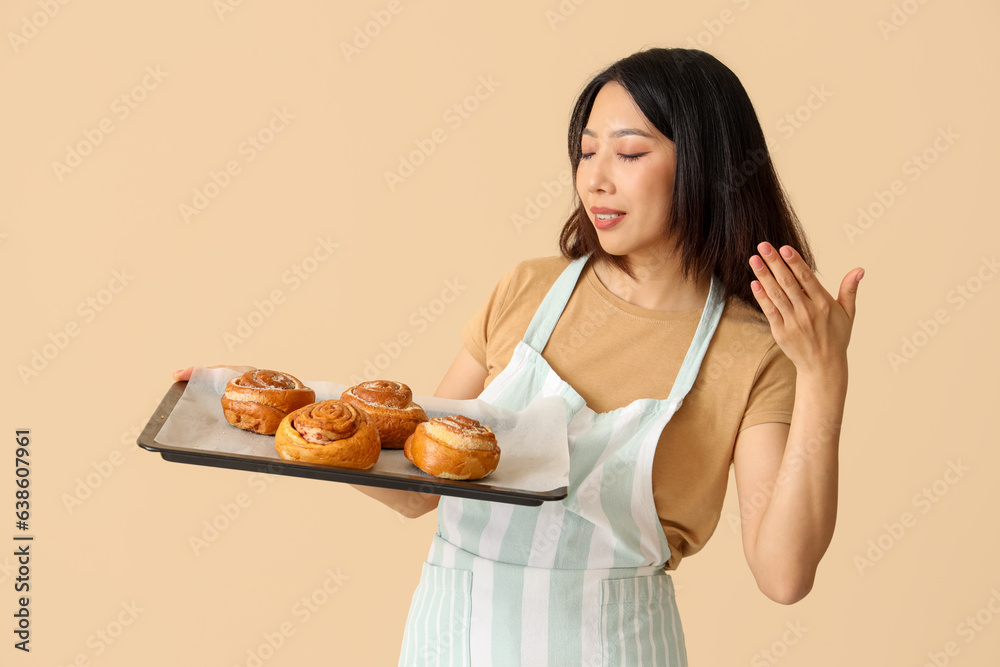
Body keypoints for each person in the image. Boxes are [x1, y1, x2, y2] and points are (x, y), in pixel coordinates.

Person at [175, 47, 862, 666]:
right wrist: (282, 418)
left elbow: (784, 572)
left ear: (706, 165)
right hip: (451, 644)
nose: (594, 179)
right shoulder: (528, 291)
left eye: (627, 154)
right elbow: (419, 483)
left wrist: (824, 380)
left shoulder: (754, 348)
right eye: (586, 152)